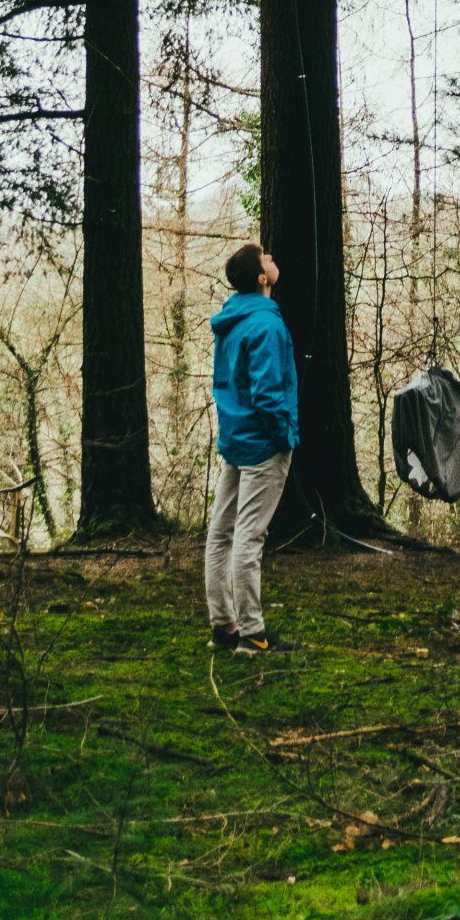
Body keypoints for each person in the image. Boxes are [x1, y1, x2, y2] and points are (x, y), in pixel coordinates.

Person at [205, 242, 298, 654]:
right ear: (262, 278)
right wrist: (284, 436)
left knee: (221, 534)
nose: (273, 260)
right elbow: (267, 393)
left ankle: (223, 627)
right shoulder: (266, 325)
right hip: (261, 445)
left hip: (235, 441)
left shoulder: (232, 321)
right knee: (248, 536)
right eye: (267, 259)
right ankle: (252, 634)